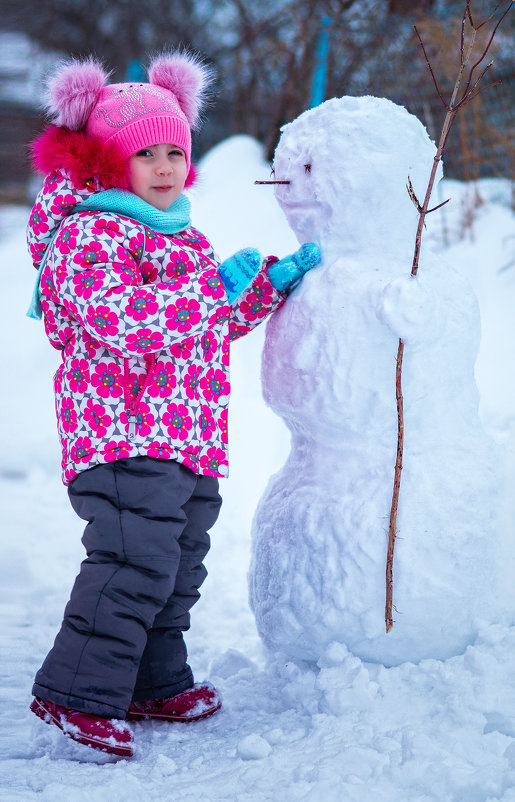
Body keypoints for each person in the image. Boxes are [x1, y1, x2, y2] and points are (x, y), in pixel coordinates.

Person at [26, 49, 321, 757]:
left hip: (186, 434)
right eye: (144, 154)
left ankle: (154, 681)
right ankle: (75, 691)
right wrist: (209, 291)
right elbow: (125, 321)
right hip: (121, 434)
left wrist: (264, 287)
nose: (162, 167)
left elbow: (203, 321)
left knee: (177, 563)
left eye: (173, 152)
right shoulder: (88, 234)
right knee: (132, 562)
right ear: (104, 160)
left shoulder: (181, 235)